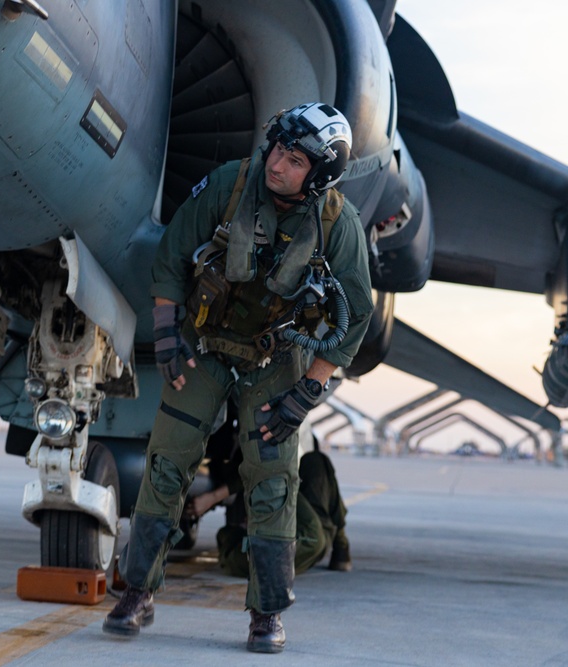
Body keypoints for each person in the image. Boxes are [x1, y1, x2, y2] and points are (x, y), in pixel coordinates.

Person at [102, 102, 374, 653]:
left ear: (317, 174)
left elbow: (356, 318)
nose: (276, 163)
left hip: (276, 364)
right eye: (278, 148)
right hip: (204, 348)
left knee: (273, 482)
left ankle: (267, 612)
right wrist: (168, 334)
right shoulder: (230, 185)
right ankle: (137, 592)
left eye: (294, 159)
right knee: (166, 461)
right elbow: (173, 256)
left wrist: (308, 391)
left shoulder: (335, 226)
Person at [186, 431, 352, 578]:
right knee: (309, 463)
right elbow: (272, 472)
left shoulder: (238, 555)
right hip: (309, 536)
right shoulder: (308, 541)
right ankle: (341, 546)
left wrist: (215, 500)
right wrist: (213, 498)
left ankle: (341, 549)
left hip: (284, 537)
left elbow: (225, 534)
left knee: (277, 470)